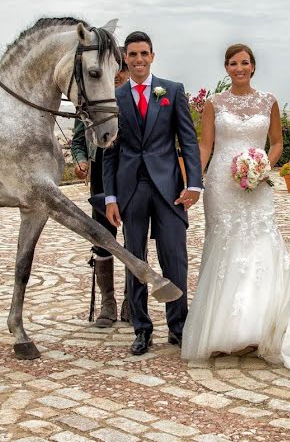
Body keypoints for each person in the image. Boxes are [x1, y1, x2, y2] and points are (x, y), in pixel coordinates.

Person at [181, 44, 290, 386]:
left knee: (261, 244)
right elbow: (205, 146)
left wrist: (261, 167)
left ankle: (261, 327)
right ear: (226, 68)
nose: (239, 68)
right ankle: (223, 332)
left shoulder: (268, 101)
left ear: (253, 67)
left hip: (256, 183)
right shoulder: (214, 104)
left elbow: (276, 143)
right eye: (232, 63)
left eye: (244, 63)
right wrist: (194, 182)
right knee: (226, 247)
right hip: (221, 186)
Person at [102, 31, 203, 356]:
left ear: (152, 56)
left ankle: (178, 327)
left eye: (143, 53)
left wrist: (194, 184)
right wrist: (110, 198)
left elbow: (187, 141)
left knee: (175, 260)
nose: (138, 60)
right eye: (132, 55)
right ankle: (141, 330)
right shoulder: (114, 97)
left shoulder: (171, 91)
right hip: (130, 191)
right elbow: (109, 151)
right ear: (125, 59)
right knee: (136, 262)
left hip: (169, 190)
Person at [71, 63, 130, 327]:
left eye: (121, 72)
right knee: (103, 239)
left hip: (131, 176)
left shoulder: (133, 99)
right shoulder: (90, 102)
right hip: (99, 179)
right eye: (113, 72)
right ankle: (108, 302)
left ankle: (132, 299)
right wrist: (81, 160)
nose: (117, 77)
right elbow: (78, 141)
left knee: (134, 239)